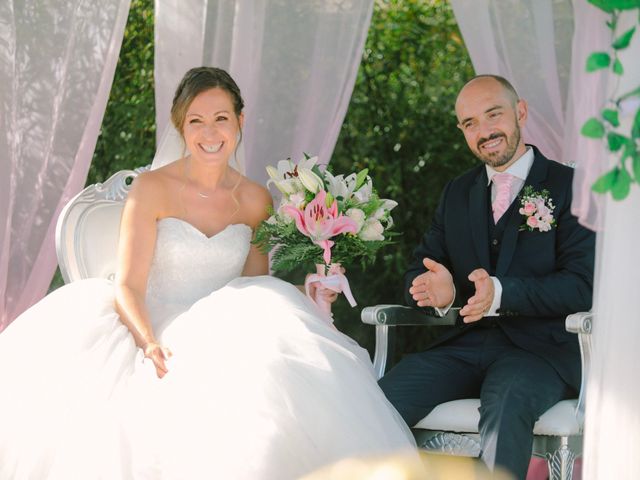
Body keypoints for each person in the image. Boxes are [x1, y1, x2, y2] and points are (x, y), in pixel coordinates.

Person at [0, 67, 416, 480]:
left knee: (276, 382)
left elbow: (257, 289)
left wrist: (310, 287)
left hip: (224, 329)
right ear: (181, 126)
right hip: (152, 324)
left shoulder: (255, 199)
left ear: (240, 120)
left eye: (221, 118)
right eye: (196, 121)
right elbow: (127, 284)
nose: (210, 132)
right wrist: (148, 345)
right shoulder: (152, 189)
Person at [379, 75, 595, 479]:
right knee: (379, 399)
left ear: (520, 112)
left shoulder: (571, 188)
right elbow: (420, 268)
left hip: (540, 353)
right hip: (463, 345)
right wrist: (436, 292)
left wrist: (501, 293)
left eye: (493, 115)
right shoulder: (457, 193)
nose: (484, 131)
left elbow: (582, 285)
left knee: (506, 402)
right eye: (470, 123)